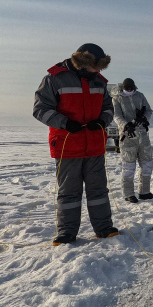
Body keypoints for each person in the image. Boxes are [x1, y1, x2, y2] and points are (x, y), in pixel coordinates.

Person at [33, 43, 120, 246]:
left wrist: (102, 121)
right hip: (67, 145)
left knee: (98, 190)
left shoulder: (99, 82)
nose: (98, 71)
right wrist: (64, 123)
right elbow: (40, 109)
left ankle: (104, 228)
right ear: (82, 63)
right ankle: (66, 233)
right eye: (95, 67)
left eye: (100, 68)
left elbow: (108, 107)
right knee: (69, 192)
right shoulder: (54, 78)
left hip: (94, 145)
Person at [113, 77, 153, 203]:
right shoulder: (117, 98)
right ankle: (128, 194)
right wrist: (126, 125)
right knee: (129, 166)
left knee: (147, 164)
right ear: (123, 88)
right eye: (127, 88)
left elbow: (148, 110)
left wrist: (144, 119)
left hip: (143, 135)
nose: (130, 90)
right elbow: (116, 115)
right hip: (128, 136)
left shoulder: (140, 96)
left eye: (132, 88)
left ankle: (144, 192)